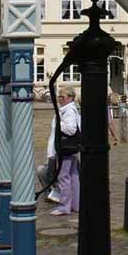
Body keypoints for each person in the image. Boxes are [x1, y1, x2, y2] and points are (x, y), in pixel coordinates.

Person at [48, 87, 81, 217]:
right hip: (70, 149)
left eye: (63, 97)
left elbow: (71, 129)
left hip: (66, 149)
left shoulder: (68, 111)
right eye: (59, 96)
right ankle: (75, 204)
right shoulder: (69, 110)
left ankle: (64, 206)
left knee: (64, 177)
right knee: (73, 175)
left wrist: (59, 123)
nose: (60, 99)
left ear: (70, 98)